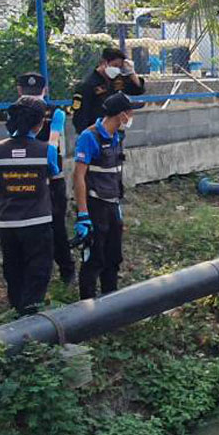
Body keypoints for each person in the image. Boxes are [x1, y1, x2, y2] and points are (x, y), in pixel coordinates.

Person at [0, 96, 60, 315]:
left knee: (14, 268)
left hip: (8, 223)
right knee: (39, 269)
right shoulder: (47, 151)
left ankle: (16, 311)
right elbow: (55, 178)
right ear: (39, 124)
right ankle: (31, 316)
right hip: (38, 222)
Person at [72, 92, 134, 299]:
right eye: (131, 113)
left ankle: (110, 306)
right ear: (121, 115)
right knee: (94, 259)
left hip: (112, 204)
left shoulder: (117, 136)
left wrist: (118, 206)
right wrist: (83, 214)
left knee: (113, 258)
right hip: (95, 205)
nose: (132, 117)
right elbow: (78, 176)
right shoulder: (89, 137)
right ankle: (86, 311)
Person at [17, 72, 75, 285]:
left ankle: (66, 268)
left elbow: (53, 142)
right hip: (33, 176)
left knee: (55, 226)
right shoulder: (17, 112)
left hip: (46, 178)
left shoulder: (54, 114)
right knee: (45, 226)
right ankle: (44, 271)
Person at [71, 47, 146, 133]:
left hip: (115, 131)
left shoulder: (117, 80)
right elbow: (80, 117)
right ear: (104, 63)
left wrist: (131, 73)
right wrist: (87, 135)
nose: (117, 69)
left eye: (120, 67)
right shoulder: (87, 84)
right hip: (95, 133)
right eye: (115, 66)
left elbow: (138, 89)